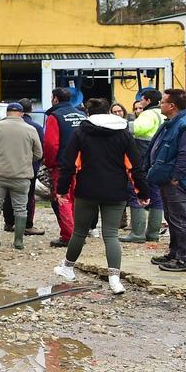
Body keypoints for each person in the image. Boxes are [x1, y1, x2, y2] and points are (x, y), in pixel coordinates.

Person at [53, 98, 149, 294]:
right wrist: (142, 192)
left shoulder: (81, 132)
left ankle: (68, 268)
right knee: (111, 235)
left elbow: (68, 164)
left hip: (86, 189)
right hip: (115, 190)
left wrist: (62, 190)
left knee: (79, 232)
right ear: (108, 111)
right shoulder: (123, 134)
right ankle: (115, 280)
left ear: (89, 113)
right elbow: (135, 166)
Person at [146, 88, 186, 273]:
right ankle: (175, 253)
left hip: (177, 182)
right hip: (167, 179)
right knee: (172, 217)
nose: (160, 104)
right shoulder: (173, 123)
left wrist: (176, 177)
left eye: (163, 102)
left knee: (181, 219)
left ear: (172, 106)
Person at [0, 102, 43, 249]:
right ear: (22, 114)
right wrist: (26, 161)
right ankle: (18, 241)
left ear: (7, 113)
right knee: (21, 208)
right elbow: (39, 153)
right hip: (21, 176)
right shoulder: (31, 129)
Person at [43, 87, 87, 247]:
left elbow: (51, 144)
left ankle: (69, 236)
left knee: (63, 199)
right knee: (78, 200)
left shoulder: (55, 117)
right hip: (81, 165)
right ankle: (80, 233)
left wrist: (49, 163)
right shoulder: (82, 115)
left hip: (62, 165)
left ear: (55, 99)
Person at [122, 89, 165, 243]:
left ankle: (137, 233)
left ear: (146, 100)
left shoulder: (148, 114)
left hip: (143, 155)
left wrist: (122, 124)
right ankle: (153, 233)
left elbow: (137, 129)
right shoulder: (163, 113)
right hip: (158, 158)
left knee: (136, 191)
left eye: (142, 100)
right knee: (156, 195)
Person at [4, 98, 45, 236]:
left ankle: (9, 223)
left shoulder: (3, 125)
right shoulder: (36, 127)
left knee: (8, 196)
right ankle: (27, 225)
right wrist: (32, 163)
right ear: (31, 110)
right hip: (28, 169)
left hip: (7, 166)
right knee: (27, 197)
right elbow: (40, 151)